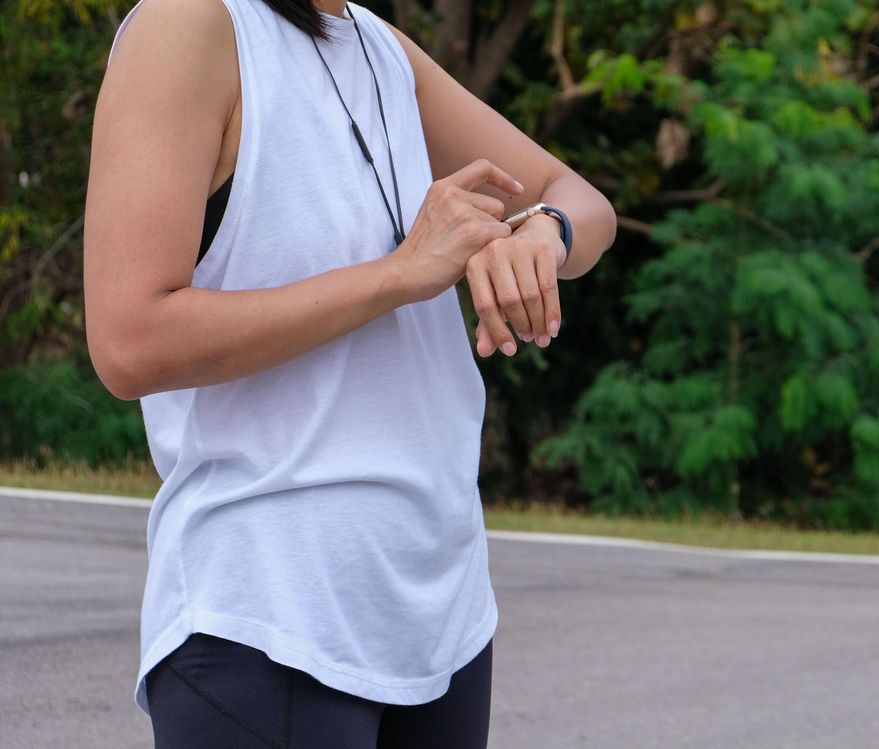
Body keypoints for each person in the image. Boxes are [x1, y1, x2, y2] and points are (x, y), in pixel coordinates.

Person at [83, 0, 616, 745]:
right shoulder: (190, 24)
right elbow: (129, 339)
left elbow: (582, 200)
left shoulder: (379, 45)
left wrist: (543, 235)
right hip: (270, 613)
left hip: (443, 617)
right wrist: (398, 274)